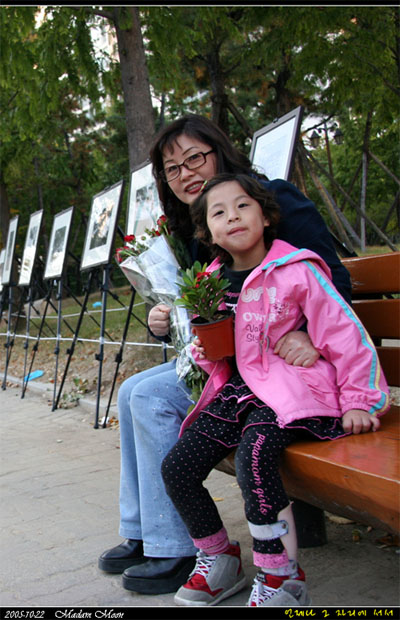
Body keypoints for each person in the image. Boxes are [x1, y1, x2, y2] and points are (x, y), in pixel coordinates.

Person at [98, 114, 352, 595]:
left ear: (220, 151)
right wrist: (167, 319)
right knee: (133, 388)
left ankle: (172, 545)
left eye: (195, 157)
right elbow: (211, 310)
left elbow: (333, 280)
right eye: (172, 169)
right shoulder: (198, 228)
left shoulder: (269, 200)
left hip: (286, 369)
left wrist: (310, 338)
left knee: (150, 397)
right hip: (237, 366)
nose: (186, 173)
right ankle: (144, 529)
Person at [161, 173, 389, 607]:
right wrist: (203, 349)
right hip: (236, 395)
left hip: (290, 393)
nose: (233, 216)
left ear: (265, 216)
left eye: (243, 206)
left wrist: (361, 400)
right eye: (219, 212)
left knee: (255, 455)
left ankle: (281, 574)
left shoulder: (297, 270)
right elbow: (217, 349)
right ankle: (218, 556)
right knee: (177, 467)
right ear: (208, 233)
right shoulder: (208, 282)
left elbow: (343, 333)